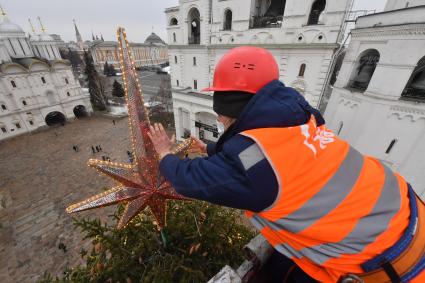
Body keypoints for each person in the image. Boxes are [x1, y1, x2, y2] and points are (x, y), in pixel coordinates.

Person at [147, 47, 425, 283]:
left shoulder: (257, 168)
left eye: (222, 114)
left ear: (235, 110)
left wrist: (165, 154)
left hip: (392, 262)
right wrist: (210, 149)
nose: (219, 120)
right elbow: (263, 154)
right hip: (406, 211)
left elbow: (191, 179)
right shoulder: (301, 118)